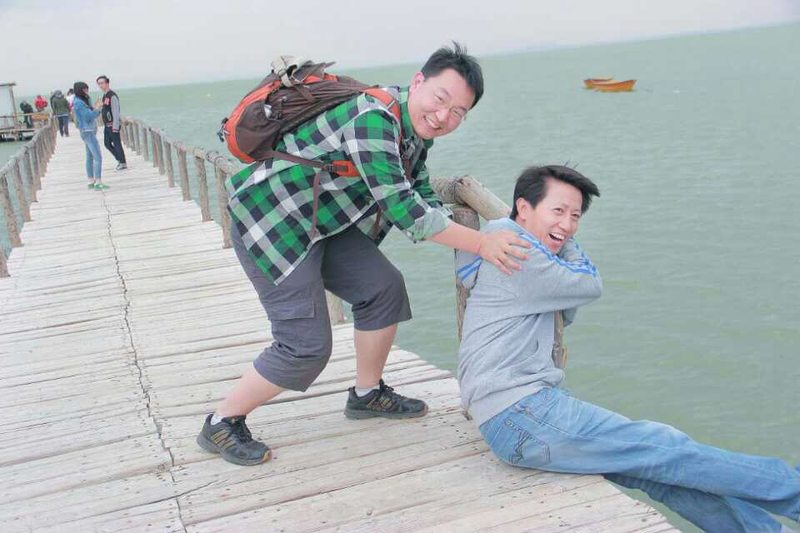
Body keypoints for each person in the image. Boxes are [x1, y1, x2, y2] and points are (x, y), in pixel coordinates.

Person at [196, 42, 530, 466]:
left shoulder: (411, 127)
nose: (443, 116)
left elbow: (416, 186)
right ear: (418, 82)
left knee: (382, 289)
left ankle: (367, 394)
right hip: (272, 225)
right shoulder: (374, 117)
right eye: (440, 99)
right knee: (304, 346)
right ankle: (222, 421)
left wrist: (462, 223)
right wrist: (482, 243)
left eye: (458, 112)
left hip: (321, 223)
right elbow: (404, 210)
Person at [455, 165, 800, 533]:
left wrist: (551, 234)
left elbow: (566, 306)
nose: (568, 224)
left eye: (575, 216)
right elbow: (588, 284)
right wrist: (562, 241)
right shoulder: (517, 251)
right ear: (523, 208)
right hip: (524, 413)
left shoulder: (499, 240)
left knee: (659, 472)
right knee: (667, 446)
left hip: (512, 419)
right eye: (558, 211)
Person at [72, 82, 109, 190]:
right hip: (87, 131)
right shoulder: (79, 103)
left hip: (86, 131)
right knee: (98, 157)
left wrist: (94, 107)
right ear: (80, 90)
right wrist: (98, 108)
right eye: (85, 89)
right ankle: (98, 182)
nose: (87, 91)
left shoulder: (80, 101)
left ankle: (91, 180)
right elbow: (89, 117)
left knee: (89, 156)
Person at [96, 75, 127, 170]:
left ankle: (122, 163)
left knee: (117, 144)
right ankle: (120, 159)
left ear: (107, 83)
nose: (100, 85)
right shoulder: (105, 95)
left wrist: (115, 126)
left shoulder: (112, 95)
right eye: (99, 84)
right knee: (107, 144)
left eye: (102, 83)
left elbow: (116, 111)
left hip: (113, 125)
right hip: (107, 125)